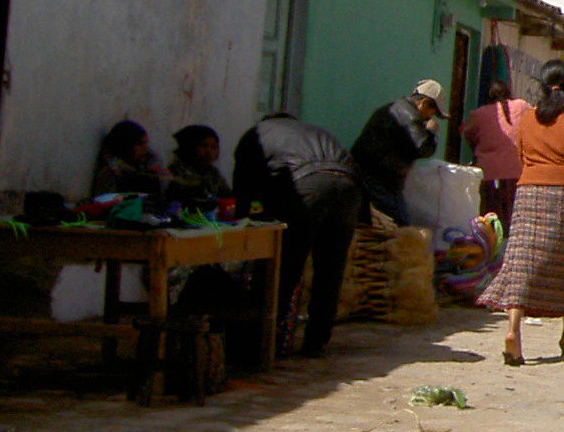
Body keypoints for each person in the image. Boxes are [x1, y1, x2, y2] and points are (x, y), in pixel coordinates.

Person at [476, 61, 564, 365]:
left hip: (528, 192)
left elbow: (520, 154)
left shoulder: (529, 119)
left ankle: (513, 331)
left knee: (521, 263)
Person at [231, 115, 364, 358]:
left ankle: (266, 341)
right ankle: (317, 341)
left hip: (309, 185)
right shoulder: (312, 130)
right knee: (330, 269)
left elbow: (243, 188)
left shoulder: (257, 135)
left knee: (286, 266)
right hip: (349, 186)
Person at [352, 80, 443, 224]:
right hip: (378, 178)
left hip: (370, 173)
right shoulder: (410, 116)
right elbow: (423, 148)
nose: (431, 117)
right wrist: (431, 132)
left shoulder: (397, 109)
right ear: (424, 103)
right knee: (400, 224)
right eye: (434, 112)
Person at [461, 80, 523, 224]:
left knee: (490, 219)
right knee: (512, 219)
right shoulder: (521, 106)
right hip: (517, 174)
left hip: (488, 175)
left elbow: (468, 135)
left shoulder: (478, 114)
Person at [91, 120, 162, 198]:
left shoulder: (148, 162)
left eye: (145, 143)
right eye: (139, 144)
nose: (144, 149)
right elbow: (104, 202)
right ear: (126, 146)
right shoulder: (110, 173)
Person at [165, 125, 231, 208]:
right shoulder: (176, 171)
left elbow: (227, 196)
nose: (209, 151)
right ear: (189, 147)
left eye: (213, 147)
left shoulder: (213, 173)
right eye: (204, 146)